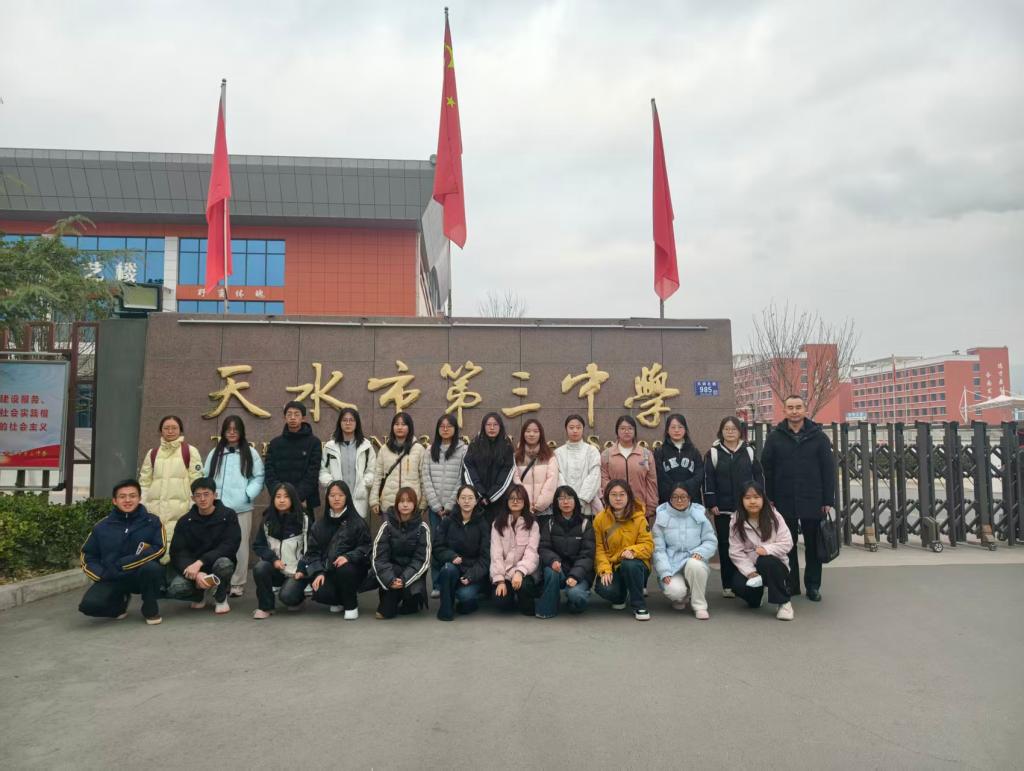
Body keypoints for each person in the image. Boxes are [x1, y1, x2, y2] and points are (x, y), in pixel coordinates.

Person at [760, 394, 836, 602]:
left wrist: (827, 500)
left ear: (805, 410)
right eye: (790, 407)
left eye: (798, 407)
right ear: (784, 411)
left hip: (813, 499)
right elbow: (766, 469)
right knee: (787, 544)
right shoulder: (775, 437)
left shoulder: (818, 437)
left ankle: (813, 586)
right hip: (783, 499)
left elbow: (828, 470)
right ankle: (791, 584)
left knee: (813, 545)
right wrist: (769, 497)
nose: (794, 411)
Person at [79, 479, 165, 625]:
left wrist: (126, 564)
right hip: (113, 576)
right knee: (89, 606)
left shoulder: (152, 521)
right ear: (114, 500)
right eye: (122, 496)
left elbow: (159, 548)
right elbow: (88, 555)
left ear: (139, 498)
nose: (127, 500)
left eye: (132, 496)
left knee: (152, 568)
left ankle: (150, 608)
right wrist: (102, 575)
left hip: (140, 576)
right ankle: (119, 604)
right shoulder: (102, 526)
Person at [703, 416, 764, 598]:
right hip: (722, 509)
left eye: (733, 429)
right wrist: (711, 502)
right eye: (726, 429)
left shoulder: (749, 451)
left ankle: (747, 580)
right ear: (721, 431)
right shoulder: (713, 453)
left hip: (746, 508)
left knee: (748, 544)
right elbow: (708, 479)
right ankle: (728, 585)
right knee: (725, 545)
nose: (730, 432)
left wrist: (760, 499)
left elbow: (758, 477)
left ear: (740, 432)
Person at [204, 414, 265, 597]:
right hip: (217, 508)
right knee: (216, 545)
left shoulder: (250, 453)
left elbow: (258, 477)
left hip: (241, 508)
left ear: (241, 432)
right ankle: (217, 581)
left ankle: (237, 582)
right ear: (223, 432)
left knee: (240, 546)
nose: (231, 433)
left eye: (235, 430)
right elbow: (206, 476)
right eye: (228, 429)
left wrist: (247, 495)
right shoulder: (215, 453)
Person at [166, 477, 241, 615]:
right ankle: (198, 594)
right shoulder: (185, 521)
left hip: (216, 563)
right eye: (198, 495)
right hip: (194, 568)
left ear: (215, 495)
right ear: (192, 498)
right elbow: (177, 552)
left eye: (206, 494)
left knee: (224, 564)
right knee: (177, 588)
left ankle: (220, 596)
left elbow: (230, 545)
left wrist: (201, 562)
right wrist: (196, 573)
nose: (202, 499)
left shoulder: (228, 515)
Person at [302, 480, 371, 619]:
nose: (336, 498)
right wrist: (319, 572)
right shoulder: (319, 525)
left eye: (340, 495)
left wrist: (349, 557)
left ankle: (351, 606)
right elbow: (312, 553)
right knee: (320, 591)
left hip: (353, 570)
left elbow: (366, 547)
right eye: (332, 495)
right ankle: (339, 600)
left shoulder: (357, 522)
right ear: (327, 498)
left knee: (345, 569)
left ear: (347, 497)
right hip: (328, 570)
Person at [139, 415, 204, 561]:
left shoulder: (190, 451)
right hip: (155, 511)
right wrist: (142, 506)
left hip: (181, 511)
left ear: (180, 430)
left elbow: (197, 482)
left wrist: (194, 507)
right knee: (156, 550)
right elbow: (144, 483)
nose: (170, 431)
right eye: (166, 428)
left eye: (174, 428)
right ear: (160, 431)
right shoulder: (152, 453)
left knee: (178, 549)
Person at [728, 481, 795, 620]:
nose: (752, 501)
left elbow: (787, 542)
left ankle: (784, 603)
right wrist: (750, 572)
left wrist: (766, 549)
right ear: (741, 500)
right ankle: (757, 596)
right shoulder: (736, 520)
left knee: (766, 561)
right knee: (738, 585)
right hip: (751, 565)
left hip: (775, 564)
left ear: (763, 498)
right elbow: (735, 551)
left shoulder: (774, 516)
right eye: (747, 498)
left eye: (756, 497)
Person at [652, 483, 717, 620]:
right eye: (675, 497)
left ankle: (699, 605)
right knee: (676, 592)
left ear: (689, 498)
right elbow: (658, 549)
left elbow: (710, 541)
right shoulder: (662, 517)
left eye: (683, 497)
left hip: (693, 559)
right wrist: (664, 571)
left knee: (695, 564)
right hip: (672, 564)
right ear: (670, 499)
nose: (679, 500)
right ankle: (683, 595)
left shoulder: (699, 515)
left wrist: (700, 552)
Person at [593, 479, 654, 621]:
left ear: (629, 496)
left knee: (629, 564)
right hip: (613, 566)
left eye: (622, 494)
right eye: (614, 495)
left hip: (637, 565)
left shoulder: (639, 518)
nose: (618, 498)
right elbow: (599, 549)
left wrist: (633, 551)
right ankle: (620, 596)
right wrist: (604, 570)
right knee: (605, 588)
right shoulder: (600, 519)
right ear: (607, 496)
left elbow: (648, 545)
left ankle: (639, 605)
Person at [422, 414, 468, 596]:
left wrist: (449, 505)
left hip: (454, 508)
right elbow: (426, 477)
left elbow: (461, 478)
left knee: (454, 544)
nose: (445, 429)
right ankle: (437, 584)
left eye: (449, 426)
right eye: (442, 426)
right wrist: (436, 505)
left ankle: (454, 583)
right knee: (437, 544)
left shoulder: (463, 450)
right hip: (435, 509)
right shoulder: (430, 450)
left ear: (455, 429)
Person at [251, 482, 309, 619]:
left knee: (288, 597)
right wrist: (273, 560)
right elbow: (259, 545)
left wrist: (302, 569)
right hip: (276, 568)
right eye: (278, 496)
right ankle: (266, 607)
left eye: (286, 497)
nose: (282, 500)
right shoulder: (267, 520)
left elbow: (311, 549)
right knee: (260, 567)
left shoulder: (303, 520)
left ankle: (297, 596)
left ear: (293, 499)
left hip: (296, 572)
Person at [535, 485, 595, 619]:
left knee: (575, 595)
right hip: (560, 569)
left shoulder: (585, 524)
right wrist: (553, 560)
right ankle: (548, 609)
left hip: (580, 573)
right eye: (561, 499)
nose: (566, 502)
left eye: (569, 498)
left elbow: (587, 555)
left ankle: (579, 598)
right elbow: (544, 547)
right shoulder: (550, 523)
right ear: (556, 503)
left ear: (575, 501)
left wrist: (575, 576)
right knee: (550, 570)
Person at [433, 484, 491, 621]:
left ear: (476, 501)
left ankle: (469, 602)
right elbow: (437, 547)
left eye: (470, 498)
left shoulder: (482, 524)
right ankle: (446, 611)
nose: (466, 501)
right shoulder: (448, 521)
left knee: (465, 597)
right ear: (457, 500)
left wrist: (471, 575)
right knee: (447, 570)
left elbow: (485, 558)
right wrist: (451, 556)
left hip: (473, 571)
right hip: (455, 566)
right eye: (463, 498)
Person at [371, 487, 431, 619]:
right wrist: (390, 579)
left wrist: (404, 579)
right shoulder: (386, 526)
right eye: (402, 501)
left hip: (411, 576)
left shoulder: (422, 528)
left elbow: (422, 560)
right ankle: (389, 599)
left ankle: (411, 601)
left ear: (415, 504)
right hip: (391, 572)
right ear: (396, 504)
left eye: (409, 501)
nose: (405, 504)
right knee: (385, 613)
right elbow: (379, 558)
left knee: (409, 608)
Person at [264, 401, 322, 519]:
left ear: (303, 418)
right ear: (284, 417)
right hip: (279, 501)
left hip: (304, 500)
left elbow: (313, 473)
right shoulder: (275, 443)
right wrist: (280, 495)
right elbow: (269, 472)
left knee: (305, 529)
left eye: (296, 414)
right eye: (289, 414)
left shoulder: (314, 443)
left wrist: (296, 497)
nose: (293, 417)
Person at [489, 483, 540, 615]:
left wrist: (520, 572)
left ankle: (524, 598)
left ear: (525, 501)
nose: (515, 501)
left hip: (525, 573)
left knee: (527, 604)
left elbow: (532, 552)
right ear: (506, 501)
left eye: (519, 498)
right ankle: (511, 596)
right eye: (512, 498)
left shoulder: (532, 524)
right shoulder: (497, 524)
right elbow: (496, 554)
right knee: (501, 603)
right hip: (505, 573)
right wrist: (500, 580)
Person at [319, 407, 376, 519]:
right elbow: (323, 471)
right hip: (337, 498)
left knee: (357, 527)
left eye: (351, 420)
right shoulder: (330, 447)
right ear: (340, 423)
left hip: (358, 497)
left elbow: (372, 470)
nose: (348, 423)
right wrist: (331, 484)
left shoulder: (366, 447)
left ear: (357, 423)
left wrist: (364, 483)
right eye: (344, 420)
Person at [599, 415, 658, 521]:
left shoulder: (645, 454)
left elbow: (651, 482)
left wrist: (651, 505)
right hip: (615, 508)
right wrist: (608, 502)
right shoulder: (606, 454)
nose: (626, 431)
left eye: (630, 428)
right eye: (622, 428)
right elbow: (604, 481)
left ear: (635, 431)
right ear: (617, 431)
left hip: (640, 508)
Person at [369, 411, 425, 522]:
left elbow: (424, 478)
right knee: (388, 533)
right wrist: (374, 500)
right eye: (396, 424)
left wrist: (423, 503)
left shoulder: (418, 450)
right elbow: (378, 477)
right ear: (392, 427)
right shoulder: (384, 449)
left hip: (411, 505)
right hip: (389, 505)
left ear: (409, 427)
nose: (399, 427)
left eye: (403, 424)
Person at [462, 412, 516, 523]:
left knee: (497, 531)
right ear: (483, 426)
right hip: (477, 501)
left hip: (499, 502)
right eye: (488, 424)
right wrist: (480, 494)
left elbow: (507, 474)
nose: (492, 428)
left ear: (500, 427)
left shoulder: (507, 447)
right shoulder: (474, 444)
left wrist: (490, 496)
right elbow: (469, 468)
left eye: (495, 425)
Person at [554, 414, 602, 516]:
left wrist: (581, 500)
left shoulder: (592, 451)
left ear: (583, 429)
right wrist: (567, 499)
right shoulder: (558, 453)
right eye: (571, 427)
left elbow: (594, 476)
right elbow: (558, 477)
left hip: (587, 507)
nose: (575, 430)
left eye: (578, 427)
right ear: (566, 429)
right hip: (565, 507)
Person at [654, 413, 705, 505]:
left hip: (692, 500)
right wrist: (675, 489)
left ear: (685, 429)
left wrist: (685, 488)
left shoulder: (694, 451)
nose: (676, 430)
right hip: (668, 500)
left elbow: (699, 474)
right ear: (667, 430)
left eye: (680, 427)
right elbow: (660, 475)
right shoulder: (660, 452)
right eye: (673, 427)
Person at [514, 418, 559, 518]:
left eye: (535, 431)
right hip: (522, 509)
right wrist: (526, 504)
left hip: (545, 510)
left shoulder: (549, 455)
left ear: (541, 434)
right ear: (523, 434)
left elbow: (552, 481)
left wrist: (540, 505)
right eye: (528, 431)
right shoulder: (516, 457)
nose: (531, 434)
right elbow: (516, 481)